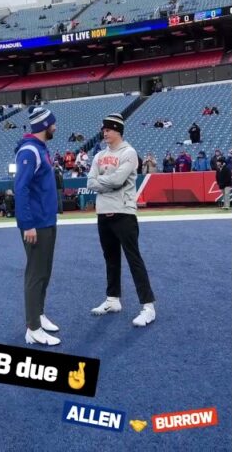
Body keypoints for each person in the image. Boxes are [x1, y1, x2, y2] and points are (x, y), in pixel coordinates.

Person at [87, 113, 156, 327]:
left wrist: (101, 181)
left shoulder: (129, 152)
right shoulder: (99, 155)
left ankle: (148, 307)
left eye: (108, 129)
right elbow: (90, 182)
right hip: (103, 212)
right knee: (110, 258)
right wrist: (104, 182)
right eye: (104, 129)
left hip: (124, 212)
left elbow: (118, 180)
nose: (104, 132)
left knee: (134, 259)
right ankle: (113, 299)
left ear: (117, 130)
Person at [15, 107, 61, 346]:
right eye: (52, 123)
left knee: (44, 271)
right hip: (36, 223)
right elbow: (20, 189)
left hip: (47, 220)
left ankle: (39, 314)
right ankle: (33, 327)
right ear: (44, 125)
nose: (55, 126)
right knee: (35, 274)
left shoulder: (41, 148)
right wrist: (27, 224)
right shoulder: (30, 150)